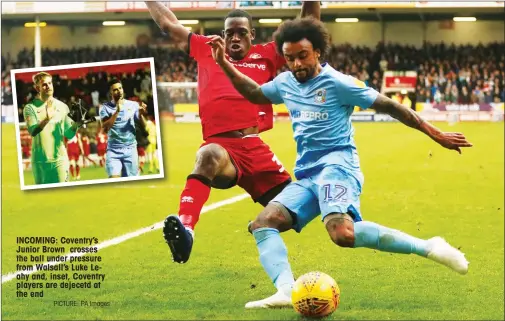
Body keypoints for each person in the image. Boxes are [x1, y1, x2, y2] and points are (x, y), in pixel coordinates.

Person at [209, 17, 472, 308]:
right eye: (290, 58)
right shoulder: (285, 83)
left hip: (339, 166)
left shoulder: (339, 83)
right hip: (308, 175)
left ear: (318, 51)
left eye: (303, 56)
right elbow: (254, 93)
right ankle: (286, 290)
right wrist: (222, 61)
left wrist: (436, 134)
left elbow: (392, 106)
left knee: (342, 234)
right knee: (262, 223)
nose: (296, 64)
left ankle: (430, 247)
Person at [145, 1, 321, 264]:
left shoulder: (267, 54)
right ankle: (186, 231)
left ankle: (266, 227)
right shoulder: (208, 49)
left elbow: (306, 26)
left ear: (252, 35)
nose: (234, 38)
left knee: (301, 205)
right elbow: (169, 24)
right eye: (229, 33)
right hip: (222, 148)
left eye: (241, 32)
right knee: (208, 156)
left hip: (255, 148)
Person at [23, 72, 82, 184]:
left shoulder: (63, 107)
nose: (48, 86)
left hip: (60, 160)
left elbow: (68, 134)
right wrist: (47, 118)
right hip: (40, 162)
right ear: (37, 88)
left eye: (50, 83)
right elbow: (32, 131)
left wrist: (76, 125)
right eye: (44, 84)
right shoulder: (30, 108)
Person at [99, 78, 148, 178]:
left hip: (130, 149)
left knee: (131, 184)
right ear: (111, 92)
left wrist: (141, 114)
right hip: (113, 150)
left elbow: (144, 125)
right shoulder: (105, 108)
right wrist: (117, 112)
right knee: (114, 179)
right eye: (115, 89)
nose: (119, 91)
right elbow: (105, 127)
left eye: (120, 88)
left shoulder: (133, 105)